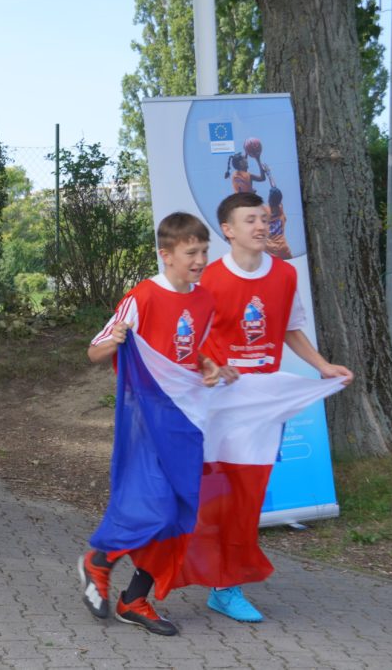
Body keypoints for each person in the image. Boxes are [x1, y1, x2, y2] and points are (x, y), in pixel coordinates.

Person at [177, 192, 353, 622]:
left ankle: (225, 585)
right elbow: (188, 340)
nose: (261, 225)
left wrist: (322, 365)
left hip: (264, 400)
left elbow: (290, 328)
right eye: (250, 219)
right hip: (219, 401)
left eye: (265, 218)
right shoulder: (208, 280)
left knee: (248, 493)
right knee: (217, 492)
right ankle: (184, 567)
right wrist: (212, 365)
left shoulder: (285, 276)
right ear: (228, 230)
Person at [78, 212, 229, 636]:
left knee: (183, 513)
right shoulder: (142, 297)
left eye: (204, 251)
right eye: (191, 252)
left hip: (186, 421)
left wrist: (210, 367)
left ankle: (133, 599)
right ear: (166, 255)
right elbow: (95, 352)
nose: (200, 260)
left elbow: (192, 355)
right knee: (155, 507)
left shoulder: (205, 301)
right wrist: (115, 340)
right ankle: (100, 561)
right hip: (147, 422)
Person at [263, 186, 293, 260]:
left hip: (270, 250)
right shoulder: (280, 209)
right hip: (283, 248)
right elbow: (275, 188)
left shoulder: (264, 210)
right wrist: (269, 176)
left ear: (269, 199)